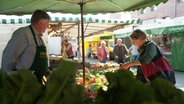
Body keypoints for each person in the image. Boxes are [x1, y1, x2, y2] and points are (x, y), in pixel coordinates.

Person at [1, 10, 51, 83]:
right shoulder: (23, 34)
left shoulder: (39, 39)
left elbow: (31, 59)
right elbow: (8, 57)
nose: (47, 27)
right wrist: (6, 81)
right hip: (22, 83)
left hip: (35, 83)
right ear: (40, 23)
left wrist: (45, 71)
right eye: (47, 24)